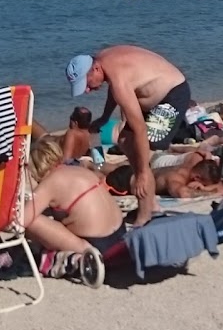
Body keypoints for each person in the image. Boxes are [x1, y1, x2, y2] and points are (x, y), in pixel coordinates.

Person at [67, 45, 195, 226]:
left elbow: (140, 129)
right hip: (155, 99)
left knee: (141, 153)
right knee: (124, 140)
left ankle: (145, 214)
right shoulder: (104, 61)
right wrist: (105, 117)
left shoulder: (118, 80)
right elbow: (114, 89)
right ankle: (152, 204)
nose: (87, 90)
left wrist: (142, 172)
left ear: (95, 69)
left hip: (172, 97)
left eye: (86, 83)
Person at [22, 133, 127, 280]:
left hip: (97, 245)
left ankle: (84, 253)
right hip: (120, 234)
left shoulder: (51, 182)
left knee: (32, 222)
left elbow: (23, 220)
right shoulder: (80, 170)